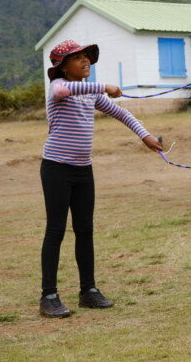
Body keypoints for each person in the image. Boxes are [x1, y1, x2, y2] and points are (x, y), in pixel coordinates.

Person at [39, 39, 163, 318]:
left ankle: (88, 292)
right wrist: (104, 86)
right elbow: (63, 88)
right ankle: (48, 295)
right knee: (55, 231)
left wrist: (145, 136)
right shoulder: (59, 89)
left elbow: (121, 112)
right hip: (56, 168)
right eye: (77, 58)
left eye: (86, 57)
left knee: (85, 230)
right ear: (63, 67)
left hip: (84, 170)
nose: (85, 61)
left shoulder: (88, 94)